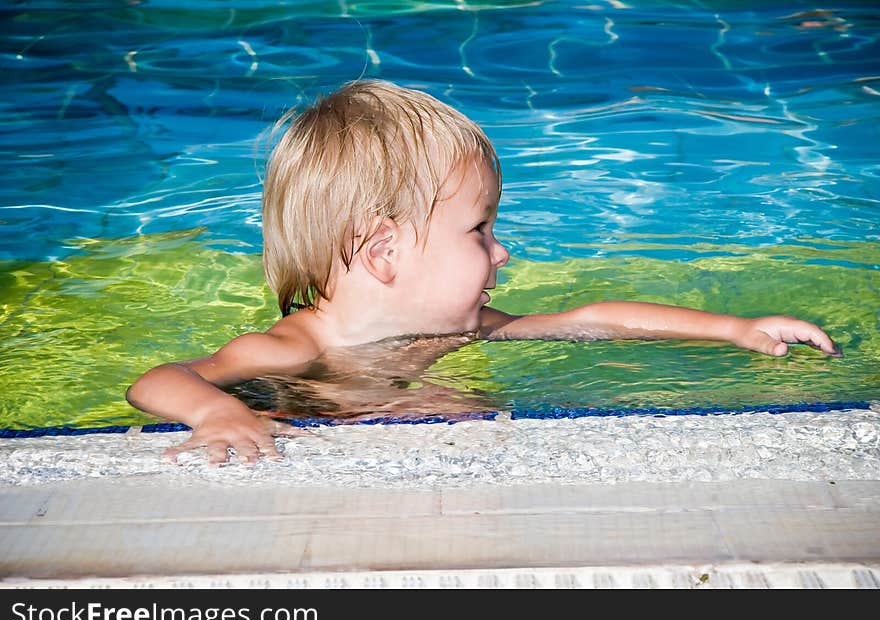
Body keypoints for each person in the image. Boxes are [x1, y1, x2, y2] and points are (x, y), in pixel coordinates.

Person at [126, 79, 842, 466]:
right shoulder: (294, 348)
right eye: (479, 230)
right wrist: (222, 411)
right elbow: (156, 380)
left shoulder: (447, 328)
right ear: (383, 250)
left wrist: (733, 329)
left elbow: (589, 318)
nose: (502, 252)